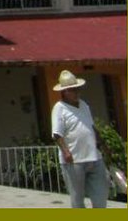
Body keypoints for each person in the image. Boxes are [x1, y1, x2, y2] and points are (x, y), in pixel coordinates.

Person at [51, 69, 110, 208]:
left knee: (101, 196)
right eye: (73, 90)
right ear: (65, 92)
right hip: (74, 160)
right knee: (78, 199)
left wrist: (103, 145)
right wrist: (66, 152)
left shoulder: (83, 105)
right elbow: (57, 134)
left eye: (78, 89)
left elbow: (91, 126)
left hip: (94, 157)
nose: (77, 93)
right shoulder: (59, 108)